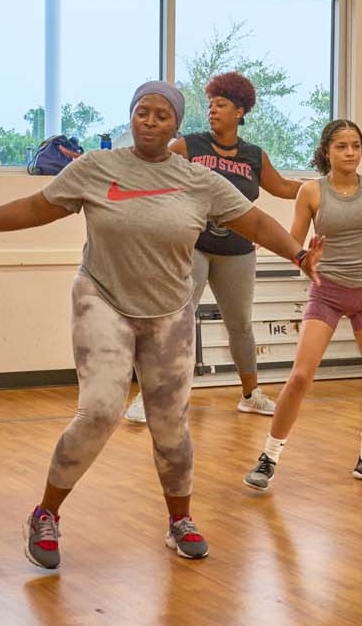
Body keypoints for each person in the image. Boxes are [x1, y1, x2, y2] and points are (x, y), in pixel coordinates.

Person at [0, 81, 324, 569]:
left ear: (177, 124)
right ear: (131, 117)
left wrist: (299, 253)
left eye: (161, 114)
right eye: (142, 112)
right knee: (100, 410)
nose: (150, 121)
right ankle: (45, 513)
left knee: (170, 426)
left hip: (169, 310)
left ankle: (180, 520)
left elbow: (256, 223)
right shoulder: (96, 167)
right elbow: (36, 207)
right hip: (103, 297)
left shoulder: (198, 179)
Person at [243, 118, 362, 491]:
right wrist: (304, 257)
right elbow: (294, 243)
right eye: (341, 146)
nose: (350, 153)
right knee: (299, 378)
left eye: (356, 146)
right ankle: (269, 457)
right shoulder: (311, 192)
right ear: (327, 151)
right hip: (326, 293)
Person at [125, 71, 302, 424]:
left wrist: (327, 188)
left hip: (238, 251)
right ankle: (150, 398)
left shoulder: (254, 155)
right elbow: (153, 164)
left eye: (220, 105)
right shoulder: (190, 146)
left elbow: (282, 187)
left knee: (240, 325)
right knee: (177, 322)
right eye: (210, 105)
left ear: (240, 111)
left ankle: (251, 395)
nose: (212, 111)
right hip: (194, 246)